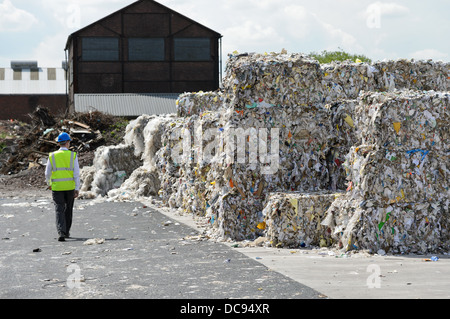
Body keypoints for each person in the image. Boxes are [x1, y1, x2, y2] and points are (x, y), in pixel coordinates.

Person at [45, 132, 80, 242]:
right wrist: (77, 188)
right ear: (68, 142)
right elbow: (76, 174)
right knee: (68, 210)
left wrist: (49, 184)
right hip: (69, 187)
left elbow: (47, 173)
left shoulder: (52, 156)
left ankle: (61, 232)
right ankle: (67, 231)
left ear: (59, 143)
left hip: (57, 188)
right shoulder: (72, 155)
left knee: (59, 209)